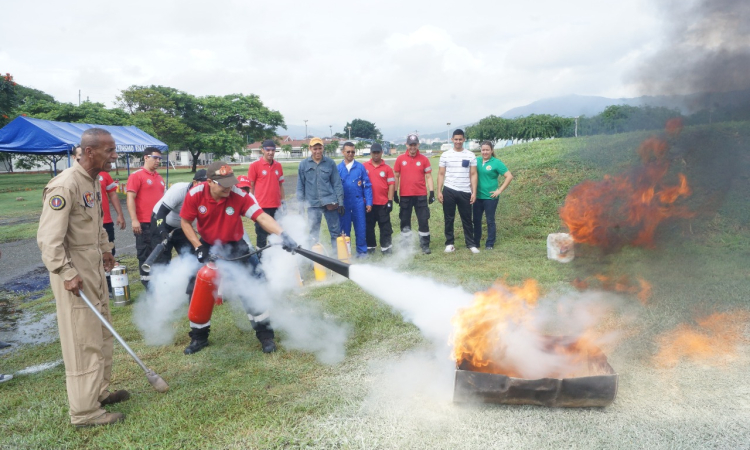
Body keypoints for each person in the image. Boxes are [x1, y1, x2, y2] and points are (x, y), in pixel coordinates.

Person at [37, 128, 127, 427]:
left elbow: (95, 222)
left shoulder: (91, 181)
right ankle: (84, 412)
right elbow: (49, 240)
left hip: (92, 267)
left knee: (101, 332)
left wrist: (105, 249)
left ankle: (98, 394)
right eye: (109, 150)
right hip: (73, 272)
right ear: (90, 152)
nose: (114, 155)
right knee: (82, 340)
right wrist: (66, 272)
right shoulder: (64, 186)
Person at [180, 161, 299, 355]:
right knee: (197, 288)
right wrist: (198, 247)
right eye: (223, 183)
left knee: (251, 289)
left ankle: (265, 335)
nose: (229, 186)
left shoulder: (238, 195)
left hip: (235, 246)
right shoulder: (195, 194)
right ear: (210, 182)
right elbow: (185, 222)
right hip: (208, 244)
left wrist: (282, 234)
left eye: (231, 182)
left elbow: (261, 217)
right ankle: (199, 337)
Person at [74, 146, 125, 294]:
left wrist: (120, 214)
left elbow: (113, 194)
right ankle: (93, 284)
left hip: (105, 222)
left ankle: (109, 285)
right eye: (79, 156)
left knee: (108, 252)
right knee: (90, 255)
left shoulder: (102, 175)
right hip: (86, 225)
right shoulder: (73, 179)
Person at [148, 170, 208, 267]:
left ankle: (189, 281)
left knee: (190, 257)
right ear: (195, 183)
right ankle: (161, 281)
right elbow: (161, 212)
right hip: (162, 222)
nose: (206, 187)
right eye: (203, 184)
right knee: (162, 258)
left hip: (183, 226)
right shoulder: (179, 190)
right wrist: (162, 231)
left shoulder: (209, 195)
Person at [126, 147, 165, 288]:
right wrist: (134, 220)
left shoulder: (160, 178)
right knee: (145, 254)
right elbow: (130, 198)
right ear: (146, 157)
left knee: (159, 253)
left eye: (160, 158)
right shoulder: (137, 176)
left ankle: (160, 283)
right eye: (155, 158)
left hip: (158, 223)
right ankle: (148, 285)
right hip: (143, 222)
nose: (158, 161)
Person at [296, 137, 345, 250]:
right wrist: (300, 205)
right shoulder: (303, 165)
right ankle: (315, 260)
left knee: (335, 232)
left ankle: (336, 259)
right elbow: (300, 186)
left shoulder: (330, 163)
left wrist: (340, 202)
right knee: (313, 234)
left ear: (323, 148)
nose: (317, 151)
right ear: (310, 149)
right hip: (312, 204)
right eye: (315, 149)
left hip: (330, 202)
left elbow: (337, 183)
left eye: (320, 148)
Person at [437, 129, 479, 254]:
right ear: (452, 140)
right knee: (449, 218)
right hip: (449, 190)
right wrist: (439, 191)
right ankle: (449, 243)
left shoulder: (470, 155)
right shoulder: (445, 155)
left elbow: (473, 174)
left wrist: (474, 192)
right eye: (456, 139)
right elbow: (440, 174)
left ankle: (470, 244)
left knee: (466, 218)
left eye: (460, 139)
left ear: (464, 139)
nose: (458, 141)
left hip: (465, 190)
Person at [393, 134, 435, 254]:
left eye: (414, 144)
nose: (412, 147)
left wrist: (431, 192)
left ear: (418, 145)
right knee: (405, 220)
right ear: (406, 145)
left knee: (423, 220)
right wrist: (395, 192)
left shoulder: (424, 159)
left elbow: (428, 176)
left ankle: (425, 245)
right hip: (405, 196)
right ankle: (406, 245)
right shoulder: (400, 159)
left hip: (420, 195)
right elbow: (396, 176)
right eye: (410, 145)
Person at [474, 141, 514, 250]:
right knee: (476, 220)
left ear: (491, 150)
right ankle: (475, 243)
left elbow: (509, 176)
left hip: (490, 198)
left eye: (487, 150)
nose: (485, 152)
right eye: (483, 150)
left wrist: (499, 190)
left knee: (490, 220)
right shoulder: (476, 160)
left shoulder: (496, 162)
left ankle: (489, 244)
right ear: (480, 150)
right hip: (477, 197)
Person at [247, 139, 285, 248]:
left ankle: (274, 257)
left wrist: (283, 202)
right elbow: (251, 186)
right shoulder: (255, 165)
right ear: (262, 150)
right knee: (262, 235)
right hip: (261, 207)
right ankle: (261, 258)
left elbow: (280, 185)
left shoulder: (278, 166)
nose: (270, 152)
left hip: (276, 206)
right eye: (268, 150)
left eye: (273, 150)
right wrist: (252, 205)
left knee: (276, 233)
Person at [337, 142, 373, 258]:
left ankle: (361, 252)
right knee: (344, 228)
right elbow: (334, 187)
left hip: (358, 203)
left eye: (353, 152)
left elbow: (367, 185)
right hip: (344, 204)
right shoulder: (338, 168)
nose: (350, 154)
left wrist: (368, 202)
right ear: (343, 152)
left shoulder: (360, 167)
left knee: (360, 227)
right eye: (348, 151)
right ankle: (345, 253)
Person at [363, 143, 395, 255]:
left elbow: (391, 184)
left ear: (382, 153)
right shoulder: (364, 166)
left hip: (383, 203)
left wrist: (390, 201)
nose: (376, 154)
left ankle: (386, 247)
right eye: (374, 152)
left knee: (385, 226)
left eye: (378, 152)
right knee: (369, 226)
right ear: (371, 153)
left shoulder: (387, 169)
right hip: (368, 204)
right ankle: (370, 247)